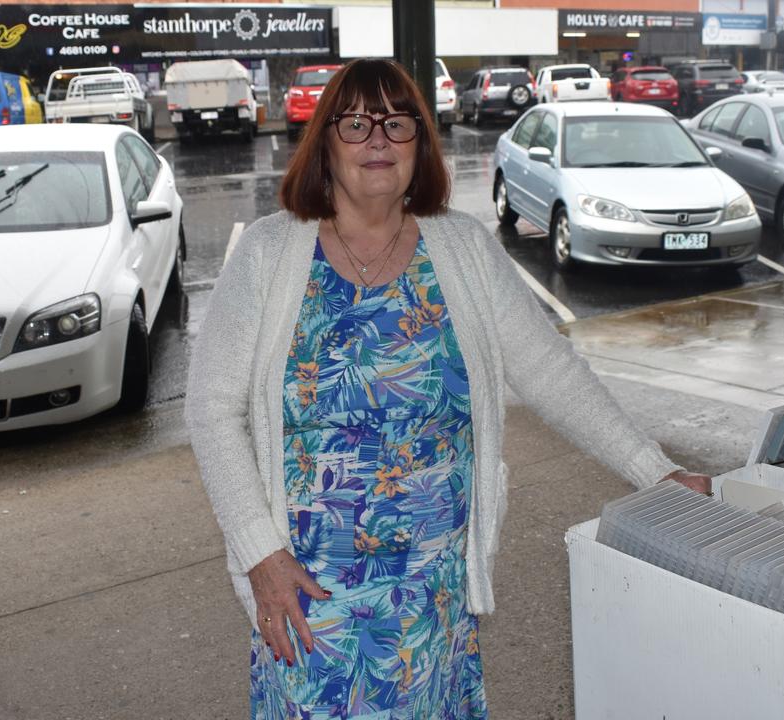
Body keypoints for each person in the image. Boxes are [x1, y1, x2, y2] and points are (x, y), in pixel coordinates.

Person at [185, 58, 710, 719]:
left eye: (397, 123)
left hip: (433, 594)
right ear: (324, 144)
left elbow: (550, 371)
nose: (378, 139)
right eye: (355, 123)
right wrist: (261, 553)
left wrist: (652, 470)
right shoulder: (268, 252)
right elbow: (210, 411)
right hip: (307, 594)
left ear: (420, 145)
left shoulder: (460, 249)